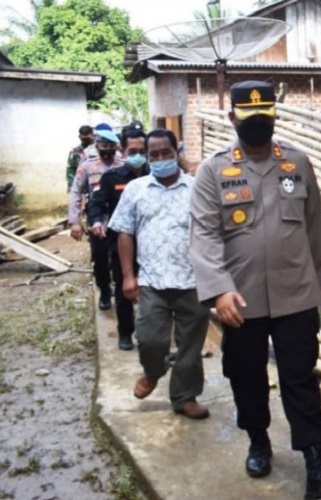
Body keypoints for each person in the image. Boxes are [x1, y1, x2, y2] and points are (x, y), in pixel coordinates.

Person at [189, 81, 321, 498]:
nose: (260, 126)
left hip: (296, 293)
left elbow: (316, 222)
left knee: (300, 379)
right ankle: (258, 441)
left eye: (266, 118)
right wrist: (219, 290)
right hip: (239, 300)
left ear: (275, 117)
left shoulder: (296, 162)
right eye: (250, 119)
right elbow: (204, 235)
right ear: (232, 119)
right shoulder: (213, 170)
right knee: (247, 377)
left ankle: (317, 463)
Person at [108, 128, 211, 419]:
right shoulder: (135, 189)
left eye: (166, 153)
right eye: (154, 155)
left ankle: (184, 396)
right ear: (147, 157)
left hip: (193, 281)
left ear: (176, 152)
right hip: (153, 280)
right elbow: (125, 234)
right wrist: (128, 276)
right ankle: (153, 372)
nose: (161, 158)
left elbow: (213, 231)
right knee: (151, 339)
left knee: (190, 346)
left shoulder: (197, 188)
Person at [86, 128, 150, 350]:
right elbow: (96, 203)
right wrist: (95, 221)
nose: (138, 155)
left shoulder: (155, 176)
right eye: (133, 150)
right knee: (125, 288)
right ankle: (125, 332)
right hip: (122, 244)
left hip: (152, 245)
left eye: (142, 151)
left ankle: (150, 332)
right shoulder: (111, 178)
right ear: (123, 150)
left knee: (154, 291)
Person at [68, 129, 125, 310]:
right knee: (100, 258)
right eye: (103, 146)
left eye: (110, 146)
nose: (107, 149)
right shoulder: (87, 167)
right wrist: (75, 221)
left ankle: (121, 290)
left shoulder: (123, 165)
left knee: (120, 257)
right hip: (97, 218)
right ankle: (105, 292)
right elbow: (76, 192)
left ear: (116, 147)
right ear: (97, 146)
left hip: (120, 219)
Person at [67, 125, 94, 191]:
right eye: (84, 139)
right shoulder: (75, 151)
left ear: (93, 136)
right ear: (79, 137)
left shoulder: (98, 149)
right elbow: (71, 168)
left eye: (88, 138)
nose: (86, 141)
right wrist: (70, 184)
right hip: (80, 184)